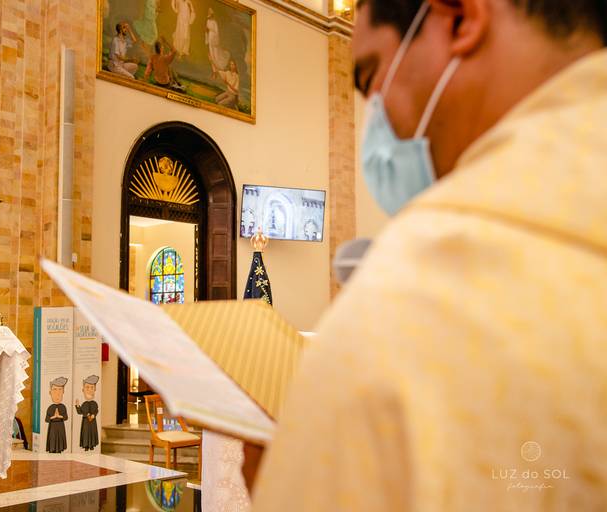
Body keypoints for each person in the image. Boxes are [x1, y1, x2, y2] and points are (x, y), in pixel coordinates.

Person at [252, 0, 607, 510]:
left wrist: (285, 474)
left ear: (459, 20)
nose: (375, 117)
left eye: (371, 76)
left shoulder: (402, 312)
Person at [75, 375, 100, 452]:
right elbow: (80, 412)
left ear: (95, 389)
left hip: (92, 421)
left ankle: (92, 445)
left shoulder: (94, 403)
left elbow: (96, 410)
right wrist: (77, 406)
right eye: (87, 387)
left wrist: (94, 415)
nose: (89, 390)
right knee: (85, 433)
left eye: (92, 387)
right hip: (85, 421)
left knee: (92, 433)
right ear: (83, 390)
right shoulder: (84, 404)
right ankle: (86, 446)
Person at [205, 7, 231, 78]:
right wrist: (207, 34)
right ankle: (214, 70)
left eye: (210, 15)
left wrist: (215, 39)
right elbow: (206, 30)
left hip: (214, 38)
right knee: (211, 55)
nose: (209, 16)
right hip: (210, 38)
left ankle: (219, 68)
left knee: (216, 54)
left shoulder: (214, 22)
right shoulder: (207, 21)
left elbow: (216, 32)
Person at [45, 377, 68, 453]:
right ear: (50, 392)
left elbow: (66, 417)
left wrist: (59, 416)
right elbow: (47, 419)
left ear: (63, 392)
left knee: (60, 440)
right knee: (53, 438)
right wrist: (54, 417)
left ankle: (59, 450)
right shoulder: (50, 407)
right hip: (52, 427)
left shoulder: (63, 407)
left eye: (60, 390)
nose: (57, 393)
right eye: (55, 389)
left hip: (60, 426)